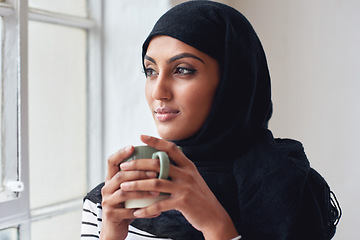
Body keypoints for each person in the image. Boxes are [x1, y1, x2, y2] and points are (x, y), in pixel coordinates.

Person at [81, 1, 341, 239]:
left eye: (182, 70)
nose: (158, 91)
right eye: (150, 71)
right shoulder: (114, 200)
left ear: (233, 81)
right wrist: (111, 233)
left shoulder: (291, 191)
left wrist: (216, 226)